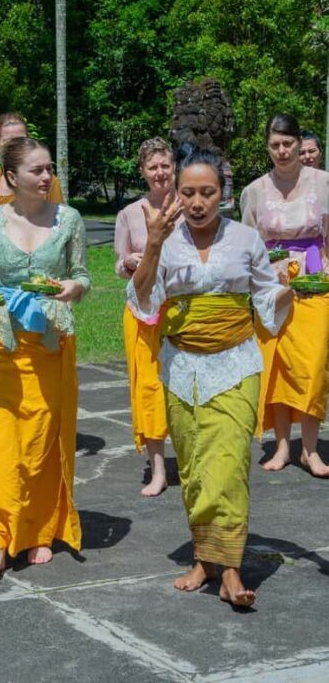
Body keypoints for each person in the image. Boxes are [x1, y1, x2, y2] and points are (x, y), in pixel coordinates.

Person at [130, 148, 293, 607]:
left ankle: (231, 571)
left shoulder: (245, 239)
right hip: (181, 368)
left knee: (228, 465)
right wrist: (155, 245)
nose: (198, 202)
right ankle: (204, 558)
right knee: (197, 469)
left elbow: (266, 296)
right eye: (188, 193)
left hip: (236, 365)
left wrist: (287, 290)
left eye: (208, 192)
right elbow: (143, 300)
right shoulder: (166, 239)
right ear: (176, 194)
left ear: (223, 192)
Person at [0, 136, 90, 576]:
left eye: (49, 168)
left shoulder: (68, 219)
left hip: (50, 345)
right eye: (37, 170)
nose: (46, 176)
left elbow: (81, 276)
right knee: (1, 444)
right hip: (2, 345)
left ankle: (36, 530)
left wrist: (73, 289)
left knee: (38, 445)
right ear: (12, 177)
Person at [241, 113, 329, 476]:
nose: (282, 151)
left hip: (314, 283)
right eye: (274, 145)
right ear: (268, 147)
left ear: (299, 144)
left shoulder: (323, 183)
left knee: (311, 365)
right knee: (275, 367)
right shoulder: (255, 190)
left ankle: (310, 449)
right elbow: (247, 243)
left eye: (288, 143)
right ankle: (279, 447)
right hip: (272, 285)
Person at [0, 112, 64, 417]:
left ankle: (15, 427)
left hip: (33, 290)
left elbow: (59, 230)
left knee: (26, 368)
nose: (16, 146)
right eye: (9, 141)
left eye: (22, 139)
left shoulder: (48, 181)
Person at [114, 138, 175, 496]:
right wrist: (131, 262)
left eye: (165, 165)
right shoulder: (129, 214)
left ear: (174, 166)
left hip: (182, 309)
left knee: (186, 386)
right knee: (149, 388)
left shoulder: (189, 205)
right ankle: (158, 470)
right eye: (152, 167)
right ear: (142, 172)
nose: (160, 173)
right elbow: (119, 265)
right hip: (142, 310)